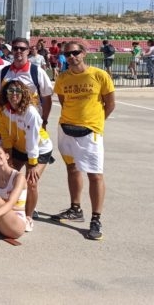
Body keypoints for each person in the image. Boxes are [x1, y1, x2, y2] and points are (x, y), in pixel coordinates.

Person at [52, 41, 115, 241]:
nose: (71, 57)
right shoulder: (62, 77)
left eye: (75, 53)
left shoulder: (99, 75)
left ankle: (96, 218)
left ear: (84, 53)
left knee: (95, 175)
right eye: (68, 54)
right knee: (72, 169)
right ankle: (75, 208)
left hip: (90, 131)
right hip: (66, 129)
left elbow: (110, 103)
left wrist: (96, 122)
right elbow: (63, 101)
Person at [0, 80, 54, 231]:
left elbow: (32, 141)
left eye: (17, 91)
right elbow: (5, 136)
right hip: (17, 148)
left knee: (31, 182)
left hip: (39, 149)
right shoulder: (1, 110)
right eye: (10, 91)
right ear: (5, 94)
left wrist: (32, 165)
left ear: (23, 93)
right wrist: (7, 157)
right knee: (9, 176)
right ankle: (11, 210)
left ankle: (28, 217)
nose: (14, 94)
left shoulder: (31, 112)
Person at [0, 37, 54, 121]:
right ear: (12, 51)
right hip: (8, 122)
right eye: (15, 48)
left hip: (30, 122)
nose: (18, 51)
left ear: (28, 51)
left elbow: (47, 98)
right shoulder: (4, 72)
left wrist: (44, 120)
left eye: (22, 48)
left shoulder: (37, 72)